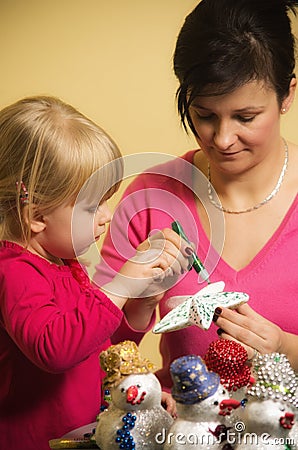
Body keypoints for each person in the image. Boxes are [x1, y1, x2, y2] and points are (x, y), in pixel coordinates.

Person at [94, 0, 298, 392]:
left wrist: (286, 348)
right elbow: (96, 359)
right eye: (205, 115)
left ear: (286, 95)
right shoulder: (150, 199)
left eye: (245, 117)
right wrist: (138, 302)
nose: (221, 140)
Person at [0, 96, 190, 450]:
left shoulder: (64, 265)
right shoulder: (14, 273)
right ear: (36, 216)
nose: (106, 215)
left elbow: (94, 347)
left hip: (85, 434)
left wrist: (139, 306)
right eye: (93, 205)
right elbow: (56, 349)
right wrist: (119, 285)